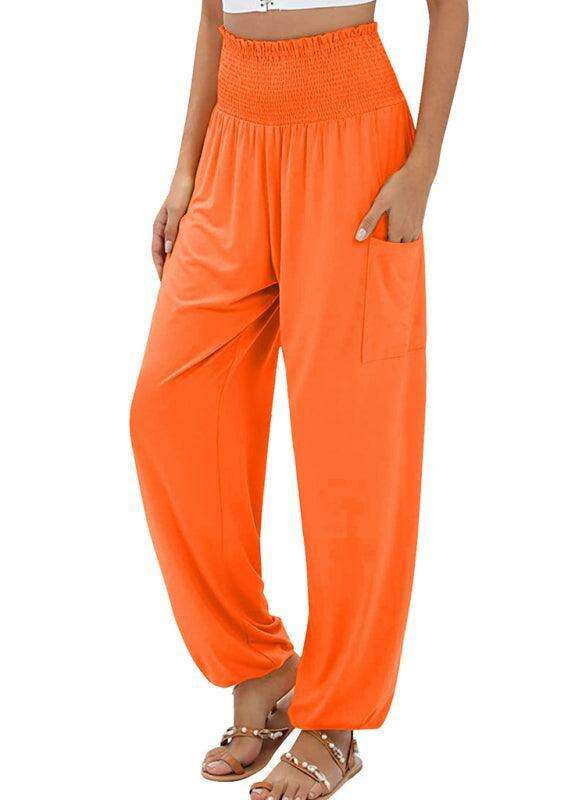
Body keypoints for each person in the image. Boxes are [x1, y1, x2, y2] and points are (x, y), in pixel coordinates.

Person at [130, 1, 468, 796]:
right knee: (168, 410)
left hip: (355, 137)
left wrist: (422, 166)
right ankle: (260, 665)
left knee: (351, 442)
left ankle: (336, 719)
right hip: (233, 138)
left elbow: (450, 9)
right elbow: (214, 16)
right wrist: (186, 169)